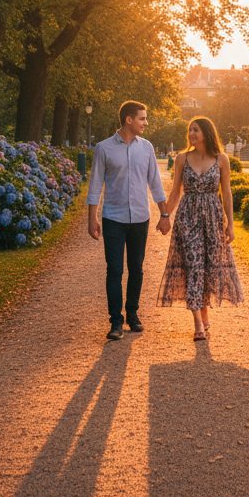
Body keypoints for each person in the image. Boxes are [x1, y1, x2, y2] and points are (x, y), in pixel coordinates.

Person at [87, 100, 171, 341]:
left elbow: (155, 183)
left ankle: (132, 314)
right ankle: (116, 321)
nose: (146, 123)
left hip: (140, 218)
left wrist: (164, 215)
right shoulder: (103, 149)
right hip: (113, 218)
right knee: (114, 270)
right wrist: (91, 219)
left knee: (136, 269)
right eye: (142, 118)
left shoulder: (146, 148)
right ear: (129, 120)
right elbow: (95, 186)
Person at [157, 116, 244, 339]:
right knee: (194, 267)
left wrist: (230, 224)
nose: (191, 134)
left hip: (214, 219)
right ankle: (197, 323)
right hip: (188, 218)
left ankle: (204, 313)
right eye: (189, 131)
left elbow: (226, 193)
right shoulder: (182, 159)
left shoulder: (222, 159)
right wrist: (165, 215)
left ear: (206, 132)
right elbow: (176, 191)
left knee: (208, 268)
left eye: (195, 130)